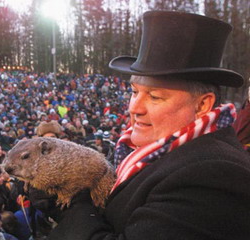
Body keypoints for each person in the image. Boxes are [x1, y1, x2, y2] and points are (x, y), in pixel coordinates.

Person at [44, 11, 250, 240]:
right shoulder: (144, 152)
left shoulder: (215, 175)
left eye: (155, 96)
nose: (135, 107)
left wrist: (74, 209)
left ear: (202, 104)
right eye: (134, 92)